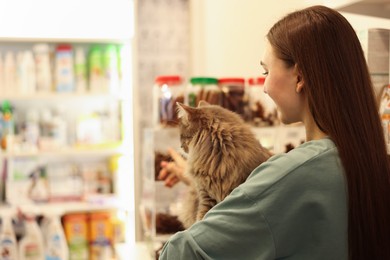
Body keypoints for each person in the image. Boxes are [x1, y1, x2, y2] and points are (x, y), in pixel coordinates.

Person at [158, 5, 390, 260]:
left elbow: (182, 254)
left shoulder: (292, 175)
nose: (265, 87)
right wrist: (199, 184)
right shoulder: (370, 161)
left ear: (299, 76)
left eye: (266, 72)